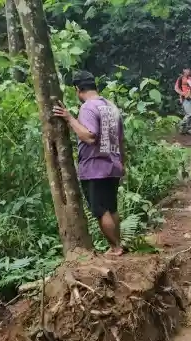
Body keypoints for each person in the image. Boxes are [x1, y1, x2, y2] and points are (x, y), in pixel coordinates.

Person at [53, 70, 125, 257]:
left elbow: (89, 136)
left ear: (78, 89)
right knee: (111, 207)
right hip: (113, 165)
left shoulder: (88, 107)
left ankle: (115, 247)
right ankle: (117, 245)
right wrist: (121, 162)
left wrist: (69, 118)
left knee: (100, 210)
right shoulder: (111, 106)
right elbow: (120, 139)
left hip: (95, 168)